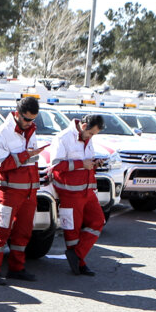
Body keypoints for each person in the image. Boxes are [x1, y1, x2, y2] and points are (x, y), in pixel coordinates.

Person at [0, 96, 45, 285]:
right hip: (10, 192)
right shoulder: (1, 133)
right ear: (17, 114)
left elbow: (32, 163)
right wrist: (25, 155)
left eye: (33, 120)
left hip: (29, 191)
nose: (29, 123)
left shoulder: (31, 130)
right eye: (27, 119)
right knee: (1, 231)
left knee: (24, 231)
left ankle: (16, 268)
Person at [49, 114, 106, 275]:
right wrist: (82, 164)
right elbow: (55, 166)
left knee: (98, 221)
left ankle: (77, 255)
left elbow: (86, 162)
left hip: (87, 190)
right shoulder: (63, 138)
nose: (91, 136)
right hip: (70, 191)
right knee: (72, 231)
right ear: (83, 126)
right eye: (91, 133)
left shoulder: (87, 137)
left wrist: (94, 163)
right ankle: (79, 263)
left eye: (94, 134)